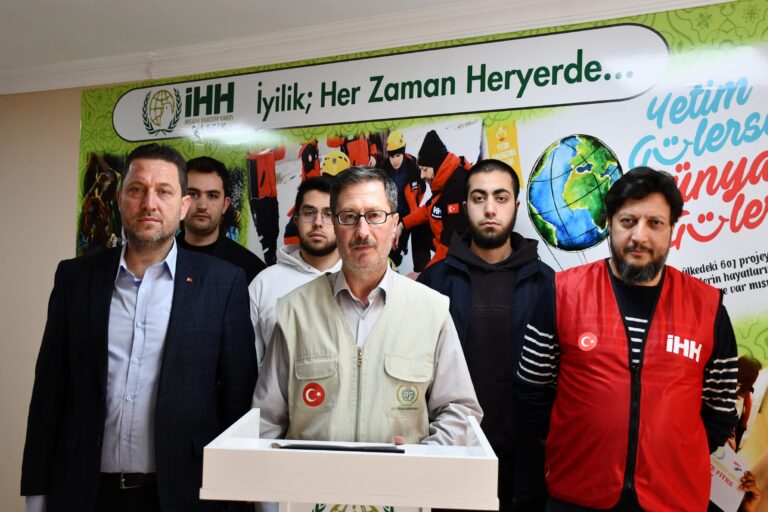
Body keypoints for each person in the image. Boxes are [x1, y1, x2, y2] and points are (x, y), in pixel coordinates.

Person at [21, 144, 257, 512]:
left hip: (182, 494)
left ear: (183, 205)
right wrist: (35, 495)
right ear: (119, 199)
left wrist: (239, 498)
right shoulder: (75, 278)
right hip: (84, 492)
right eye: (137, 189)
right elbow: (48, 392)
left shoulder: (223, 283)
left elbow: (237, 402)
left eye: (164, 191)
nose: (149, 203)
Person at [517, 167, 739, 511]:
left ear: (672, 229)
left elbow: (721, 408)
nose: (640, 236)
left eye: (655, 223)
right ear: (609, 223)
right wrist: (576, 442)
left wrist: (674, 452)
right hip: (577, 495)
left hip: (673, 500)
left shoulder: (707, 307)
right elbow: (532, 389)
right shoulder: (563, 292)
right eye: (628, 221)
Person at [253, 166, 482, 445]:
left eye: (374, 215)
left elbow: (459, 412)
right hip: (311, 474)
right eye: (349, 217)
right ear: (336, 225)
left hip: (403, 474)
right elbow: (266, 422)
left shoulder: (431, 310)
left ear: (394, 223)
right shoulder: (294, 311)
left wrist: (421, 459)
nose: (362, 231)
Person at [419, 159, 553, 510]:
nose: (490, 209)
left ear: (516, 205)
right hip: (451, 455)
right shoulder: (435, 281)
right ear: (465, 205)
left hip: (524, 465)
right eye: (479, 198)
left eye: (501, 197)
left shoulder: (547, 284)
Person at [249, 175, 342, 366]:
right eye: (309, 213)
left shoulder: (359, 282)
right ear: (297, 220)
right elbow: (248, 367)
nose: (318, 222)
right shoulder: (264, 284)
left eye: (328, 214)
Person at [177, 156, 266, 283]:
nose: (202, 206)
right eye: (193, 194)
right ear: (180, 201)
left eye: (212, 196)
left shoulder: (251, 269)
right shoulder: (157, 259)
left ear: (225, 205)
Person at [396, 129, 472, 269]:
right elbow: (428, 208)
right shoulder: (445, 178)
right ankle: (420, 271)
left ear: (437, 165)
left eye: (425, 169)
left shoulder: (457, 188)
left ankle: (426, 277)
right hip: (445, 243)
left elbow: (449, 246)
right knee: (417, 227)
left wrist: (427, 275)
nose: (421, 176)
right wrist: (402, 224)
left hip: (461, 257)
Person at [380, 130, 432, 271]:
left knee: (409, 236)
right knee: (393, 253)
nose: (395, 160)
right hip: (392, 214)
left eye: (398, 155)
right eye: (392, 156)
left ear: (403, 153)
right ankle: (398, 254)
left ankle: (414, 262)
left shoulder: (412, 167)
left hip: (407, 212)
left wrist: (414, 203)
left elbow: (422, 187)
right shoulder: (383, 169)